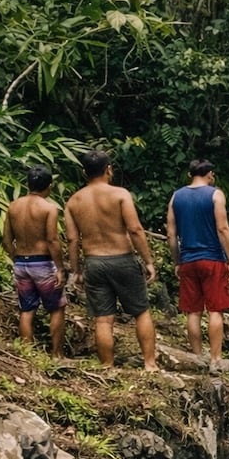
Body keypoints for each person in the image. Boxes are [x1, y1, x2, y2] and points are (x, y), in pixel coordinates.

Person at [64, 150, 159, 370]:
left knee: (103, 319)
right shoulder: (120, 194)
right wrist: (148, 261)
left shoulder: (74, 201)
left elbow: (72, 239)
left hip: (94, 262)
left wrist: (76, 271)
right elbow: (135, 229)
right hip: (123, 259)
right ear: (108, 169)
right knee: (141, 312)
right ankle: (150, 364)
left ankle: (107, 365)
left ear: (84, 172)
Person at [166, 159, 229, 370]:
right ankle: (215, 359)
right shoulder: (215, 195)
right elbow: (222, 228)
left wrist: (177, 261)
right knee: (215, 310)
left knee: (193, 311)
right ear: (210, 174)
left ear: (190, 175)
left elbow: (171, 234)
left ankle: (197, 357)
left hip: (188, 260)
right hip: (212, 259)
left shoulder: (176, 197)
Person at [2, 165, 67, 357]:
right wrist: (60, 268)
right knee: (56, 308)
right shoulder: (49, 208)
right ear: (50, 186)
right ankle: (57, 355)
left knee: (27, 309)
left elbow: (6, 240)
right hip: (43, 263)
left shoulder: (13, 206)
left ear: (27, 184)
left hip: (21, 263)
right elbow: (52, 240)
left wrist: (16, 257)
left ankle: (27, 355)